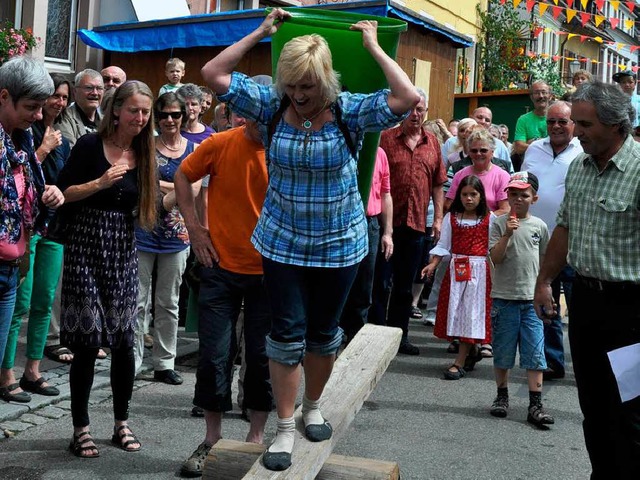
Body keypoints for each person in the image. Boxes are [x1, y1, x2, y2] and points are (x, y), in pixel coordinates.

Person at [201, 8, 419, 471]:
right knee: (284, 336)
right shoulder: (269, 106)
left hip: (339, 245)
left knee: (323, 335)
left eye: (308, 87)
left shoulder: (351, 111)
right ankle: (283, 428)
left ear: (326, 82)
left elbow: (408, 96)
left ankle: (312, 406)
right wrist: (261, 32)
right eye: (293, 86)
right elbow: (213, 73)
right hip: (281, 244)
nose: (299, 96)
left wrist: (375, 47)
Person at [534, 81, 640, 478]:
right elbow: (564, 228)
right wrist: (544, 280)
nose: (576, 131)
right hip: (587, 305)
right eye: (574, 122)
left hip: (632, 313)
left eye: (585, 124)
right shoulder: (579, 167)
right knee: (594, 408)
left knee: (631, 411)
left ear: (616, 125)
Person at [174, 77, 274, 477]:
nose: (253, 118)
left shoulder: (287, 151)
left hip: (270, 273)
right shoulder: (221, 143)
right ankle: (212, 441)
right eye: (248, 110)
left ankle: (255, 440)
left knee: (263, 358)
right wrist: (195, 229)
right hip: (219, 267)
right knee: (214, 356)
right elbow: (183, 176)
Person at [56, 80, 157, 458]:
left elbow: (149, 205)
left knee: (124, 343)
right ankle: (80, 429)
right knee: (86, 344)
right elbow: (62, 192)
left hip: (121, 250)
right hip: (85, 245)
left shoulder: (144, 153)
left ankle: (120, 423)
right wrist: (100, 182)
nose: (140, 118)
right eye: (134, 110)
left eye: (145, 112)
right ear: (115, 111)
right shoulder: (88, 145)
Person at [1, 73, 71, 403]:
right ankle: (9, 376)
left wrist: (48, 194)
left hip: (22, 247)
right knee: (20, 311)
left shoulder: (24, 137)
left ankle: (32, 370)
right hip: (10, 250)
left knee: (40, 303)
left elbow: (29, 186)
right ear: (4, 97)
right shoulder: (31, 139)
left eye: (44, 106)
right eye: (33, 106)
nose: (41, 114)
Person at [133, 92, 197, 384]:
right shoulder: (146, 147)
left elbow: (196, 190)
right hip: (143, 231)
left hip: (177, 236)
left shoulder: (194, 149)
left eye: (175, 114)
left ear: (184, 116)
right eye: (164, 115)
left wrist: (162, 186)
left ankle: (164, 362)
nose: (169, 120)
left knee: (169, 302)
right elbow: (139, 182)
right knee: (137, 301)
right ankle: (132, 362)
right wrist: (177, 185)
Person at [377, 89, 446, 355]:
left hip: (417, 224)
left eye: (420, 110)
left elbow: (439, 184)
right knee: (381, 283)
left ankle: (399, 336)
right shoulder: (386, 138)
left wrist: (438, 219)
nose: (415, 114)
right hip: (387, 224)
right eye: (411, 109)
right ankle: (375, 335)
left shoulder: (433, 144)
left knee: (406, 287)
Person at [46, 69, 105, 364]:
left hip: (94, 210)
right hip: (69, 208)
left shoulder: (103, 119)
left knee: (86, 278)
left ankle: (82, 334)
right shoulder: (66, 121)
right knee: (59, 279)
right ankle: (54, 338)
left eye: (99, 88)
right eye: (88, 88)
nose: (95, 93)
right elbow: (76, 159)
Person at [522, 100, 582, 381]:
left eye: (562, 121)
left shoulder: (583, 151)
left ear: (573, 123)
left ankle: (584, 364)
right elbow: (524, 186)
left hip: (573, 240)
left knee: (578, 304)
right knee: (545, 304)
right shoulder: (534, 149)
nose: (556, 126)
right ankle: (551, 361)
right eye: (551, 121)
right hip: (538, 241)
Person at [488, 171, 553, 427]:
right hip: (504, 297)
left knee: (535, 352)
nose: (517, 199)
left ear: (533, 198)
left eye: (523, 195)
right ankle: (501, 396)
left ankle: (535, 403)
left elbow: (546, 260)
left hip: (530, 300)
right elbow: (496, 257)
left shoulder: (539, 226)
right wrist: (507, 233)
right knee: (503, 351)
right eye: (513, 194)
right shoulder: (498, 223)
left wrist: (545, 291)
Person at [422, 175, 494, 379]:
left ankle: (459, 362)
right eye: (464, 194)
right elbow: (444, 245)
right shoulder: (451, 218)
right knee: (456, 312)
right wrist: (433, 264)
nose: (468, 199)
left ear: (481, 196)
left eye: (473, 194)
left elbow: (495, 247)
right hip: (457, 271)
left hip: (478, 273)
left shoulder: (489, 219)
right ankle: (472, 350)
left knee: (470, 315)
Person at [339, 147, 393, 344]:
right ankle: (330, 336)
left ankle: (355, 339)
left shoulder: (379, 153)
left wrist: (387, 232)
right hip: (340, 223)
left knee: (364, 285)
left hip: (370, 223)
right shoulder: (343, 146)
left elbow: (385, 194)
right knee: (337, 282)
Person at [442, 107, 513, 167]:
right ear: (471, 117)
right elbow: (443, 170)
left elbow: (508, 170)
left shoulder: (499, 145)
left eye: (487, 120)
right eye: (479, 117)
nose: (483, 122)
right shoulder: (451, 142)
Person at [513, 80, 551, 157]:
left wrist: (533, 143)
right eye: (537, 93)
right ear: (531, 97)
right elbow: (519, 148)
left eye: (544, 92)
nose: (541, 96)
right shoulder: (523, 120)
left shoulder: (557, 118)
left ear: (550, 96)